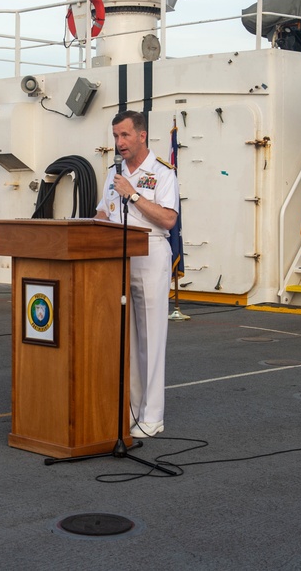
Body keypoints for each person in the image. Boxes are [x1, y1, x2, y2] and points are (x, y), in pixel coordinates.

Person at [94, 110, 179, 437]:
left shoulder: (161, 173)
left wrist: (133, 193)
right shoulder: (113, 173)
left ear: (142, 135)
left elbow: (168, 220)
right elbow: (104, 212)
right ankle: (130, 412)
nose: (119, 143)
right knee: (125, 341)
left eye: (125, 135)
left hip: (150, 255)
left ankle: (153, 417)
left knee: (151, 340)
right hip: (116, 259)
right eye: (115, 136)